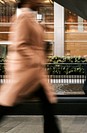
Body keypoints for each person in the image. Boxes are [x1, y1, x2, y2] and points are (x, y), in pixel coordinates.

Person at [0, 0, 60, 133]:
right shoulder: (22, 18)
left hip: (34, 73)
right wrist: (37, 59)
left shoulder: (30, 18)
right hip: (26, 71)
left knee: (48, 107)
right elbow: (19, 45)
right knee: (8, 104)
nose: (40, 2)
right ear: (28, 2)